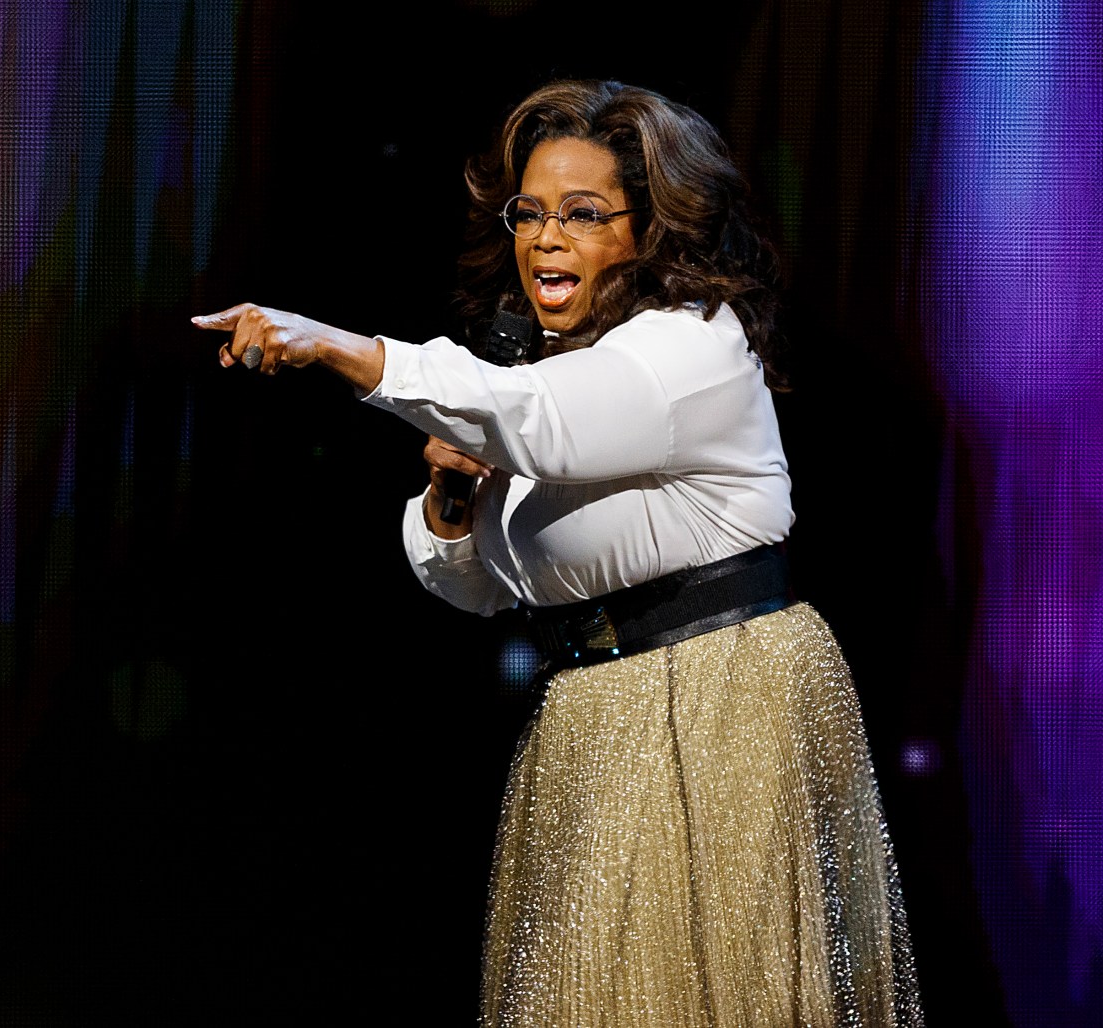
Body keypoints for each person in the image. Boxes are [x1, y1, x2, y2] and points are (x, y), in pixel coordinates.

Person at [194, 79, 923, 1027]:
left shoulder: (689, 346)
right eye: (529, 214)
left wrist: (342, 349)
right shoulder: (542, 371)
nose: (546, 238)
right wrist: (453, 497)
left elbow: (538, 427)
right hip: (598, 702)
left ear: (651, 230)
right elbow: (484, 588)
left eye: (584, 214)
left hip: (717, 697)